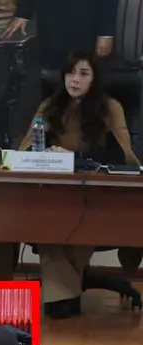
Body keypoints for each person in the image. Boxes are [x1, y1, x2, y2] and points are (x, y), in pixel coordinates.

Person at [18, 52, 140, 318]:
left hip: (96, 196)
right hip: (53, 194)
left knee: (78, 218)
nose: (75, 80)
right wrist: (47, 154)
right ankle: (64, 291)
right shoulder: (50, 106)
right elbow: (27, 149)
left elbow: (124, 157)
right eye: (71, 73)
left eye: (83, 74)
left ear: (94, 79)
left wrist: (73, 159)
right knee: (50, 219)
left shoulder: (110, 107)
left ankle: (63, 291)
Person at [3, 0, 118, 69]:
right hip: (49, 24)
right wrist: (23, 13)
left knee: (83, 75)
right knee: (50, 81)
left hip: (85, 23)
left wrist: (106, 32)